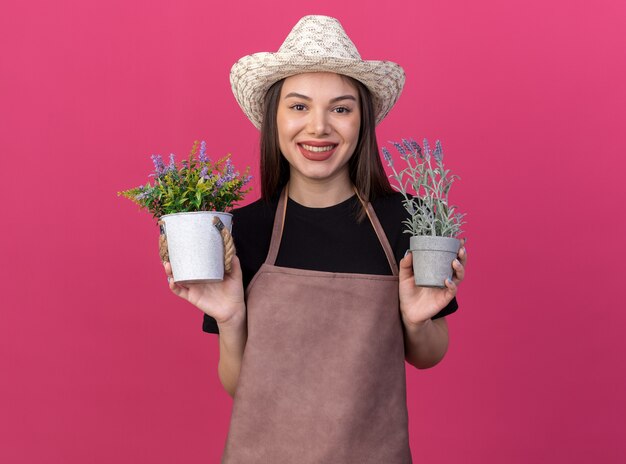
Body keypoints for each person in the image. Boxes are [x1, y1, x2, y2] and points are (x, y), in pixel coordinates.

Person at [162, 15, 467, 463]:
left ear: (362, 120)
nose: (319, 127)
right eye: (299, 106)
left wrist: (417, 321)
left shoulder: (410, 220)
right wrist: (229, 318)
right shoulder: (240, 231)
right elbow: (241, 386)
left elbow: (427, 356)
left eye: (341, 108)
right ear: (275, 118)